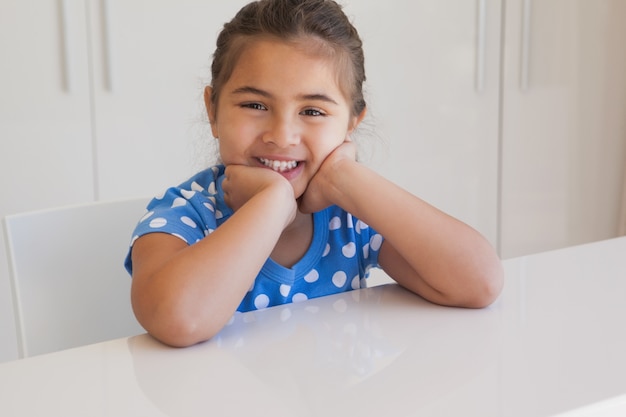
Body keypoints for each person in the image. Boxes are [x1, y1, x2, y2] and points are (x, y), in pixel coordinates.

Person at [125, 0, 504, 348]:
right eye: (255, 104)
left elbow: (480, 282)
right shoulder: (184, 213)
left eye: (313, 111)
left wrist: (345, 176)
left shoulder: (349, 214)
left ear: (352, 123)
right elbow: (178, 320)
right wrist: (271, 204)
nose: (281, 136)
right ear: (213, 110)